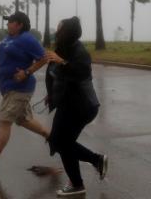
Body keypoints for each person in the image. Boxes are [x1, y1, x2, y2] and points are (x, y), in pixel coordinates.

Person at [23, 17, 107, 197]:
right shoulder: (63, 48)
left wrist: (63, 62)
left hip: (81, 106)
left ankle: (85, 174)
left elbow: (81, 73)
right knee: (62, 143)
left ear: (67, 32)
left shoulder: (79, 51)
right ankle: (90, 167)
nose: (56, 32)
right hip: (68, 104)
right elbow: (56, 75)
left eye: (60, 29)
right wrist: (51, 93)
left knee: (61, 143)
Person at [0, 12, 51, 170]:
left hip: (20, 88)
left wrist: (27, 72)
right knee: (23, 120)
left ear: (19, 24)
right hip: (8, 87)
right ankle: (52, 137)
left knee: (4, 119)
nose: (7, 24)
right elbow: (8, 54)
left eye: (10, 22)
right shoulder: (9, 38)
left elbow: (44, 58)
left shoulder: (27, 39)